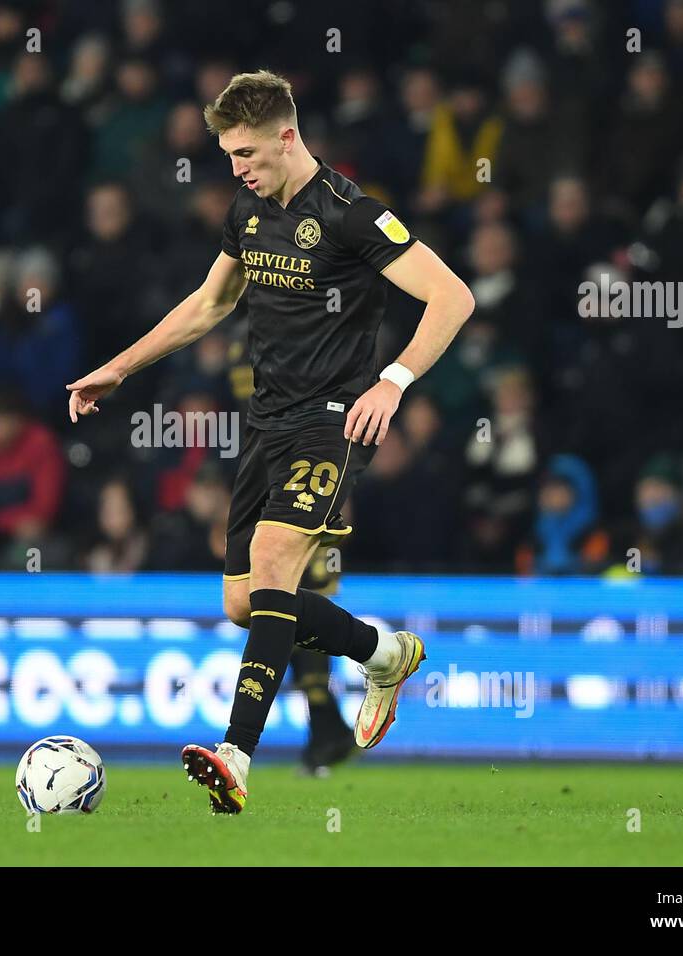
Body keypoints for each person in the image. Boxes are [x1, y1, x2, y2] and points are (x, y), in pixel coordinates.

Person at [67, 71, 474, 814]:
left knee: (276, 565)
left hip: (335, 419)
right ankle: (386, 654)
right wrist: (119, 368)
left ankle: (236, 755)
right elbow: (208, 304)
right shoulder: (249, 212)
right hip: (265, 424)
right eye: (228, 156)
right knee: (244, 603)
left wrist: (394, 381)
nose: (237, 169)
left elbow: (453, 296)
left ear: (289, 136)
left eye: (247, 153)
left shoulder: (354, 216)